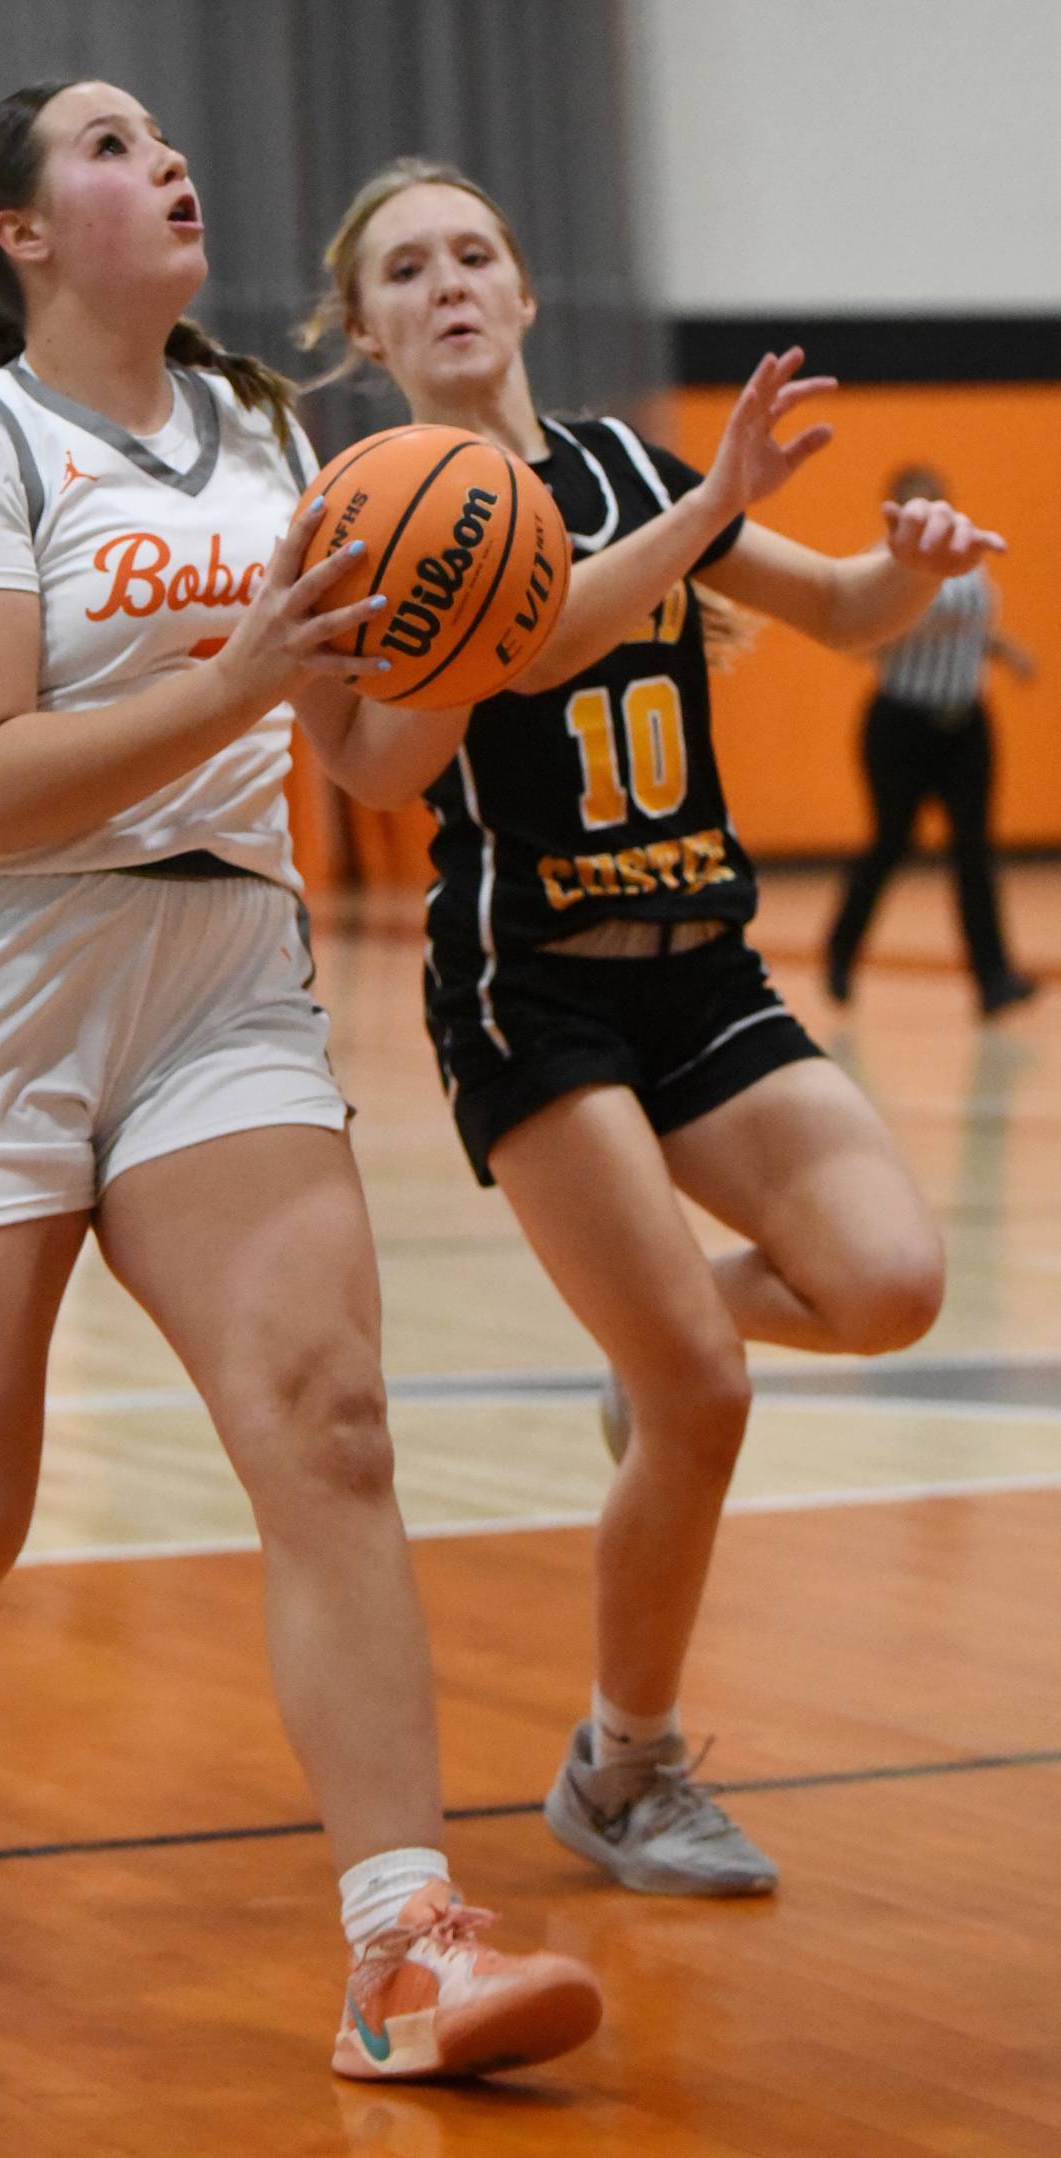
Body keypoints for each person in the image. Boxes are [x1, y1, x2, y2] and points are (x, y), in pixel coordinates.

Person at [0, 85, 605, 2083]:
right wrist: (238, 678)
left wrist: (482, 611)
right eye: (108, 145)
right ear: (19, 232)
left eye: (166, 137)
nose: (166, 158)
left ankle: (401, 1939)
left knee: (334, 1417)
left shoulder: (285, 439)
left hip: (216, 970)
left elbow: (363, 765)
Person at [296, 158, 1003, 1897]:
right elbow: (384, 759)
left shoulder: (619, 463)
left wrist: (906, 565)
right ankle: (627, 1767)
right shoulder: (364, 512)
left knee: (891, 1279)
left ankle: (648, 1351)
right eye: (408, 267)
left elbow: (833, 610)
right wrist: (705, 521)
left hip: (704, 966)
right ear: (368, 328)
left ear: (526, 293)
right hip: (527, 985)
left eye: (477, 251)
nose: (450, 280)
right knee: (706, 1384)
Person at [825, 462, 1037, 1016]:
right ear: (895, 512)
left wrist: (1005, 650)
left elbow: (970, 623)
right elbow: (858, 637)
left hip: (966, 723)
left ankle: (993, 980)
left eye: (934, 502)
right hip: (901, 724)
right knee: (892, 842)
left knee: (973, 848)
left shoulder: (967, 553)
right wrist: (905, 602)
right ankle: (840, 953)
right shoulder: (878, 563)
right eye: (914, 506)